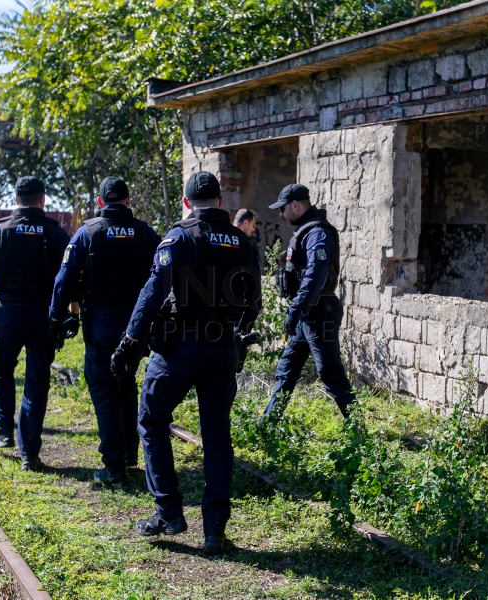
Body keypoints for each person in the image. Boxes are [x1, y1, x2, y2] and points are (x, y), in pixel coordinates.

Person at [110, 171, 261, 554]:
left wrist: (130, 341)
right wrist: (238, 339)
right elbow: (253, 302)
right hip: (222, 349)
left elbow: (152, 291)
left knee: (151, 419)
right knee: (217, 438)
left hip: (180, 348)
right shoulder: (242, 242)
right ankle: (215, 532)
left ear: (186, 202)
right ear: (221, 202)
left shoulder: (180, 236)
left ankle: (169, 513)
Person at [48, 177, 160, 488]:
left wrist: (56, 319)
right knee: (126, 385)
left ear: (100, 203)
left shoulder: (88, 233)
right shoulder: (147, 233)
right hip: (136, 328)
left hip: (100, 326)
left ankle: (114, 466)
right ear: (128, 200)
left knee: (103, 391)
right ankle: (128, 454)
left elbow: (64, 280)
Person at [0, 176, 71, 472]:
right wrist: (71, 313)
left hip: (7, 317)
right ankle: (29, 453)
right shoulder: (56, 233)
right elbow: (71, 279)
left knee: (1, 368)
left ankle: (2, 433)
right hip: (42, 318)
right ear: (42, 199)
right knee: (37, 382)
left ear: (16, 199)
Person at [262, 183, 355, 421]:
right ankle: (269, 423)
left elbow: (316, 273)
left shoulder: (317, 233)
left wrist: (296, 309)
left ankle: (357, 426)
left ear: (295, 205)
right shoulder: (306, 230)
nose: (281, 214)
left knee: (329, 371)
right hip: (306, 313)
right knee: (287, 367)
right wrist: (298, 310)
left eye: (283, 209)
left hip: (318, 313)